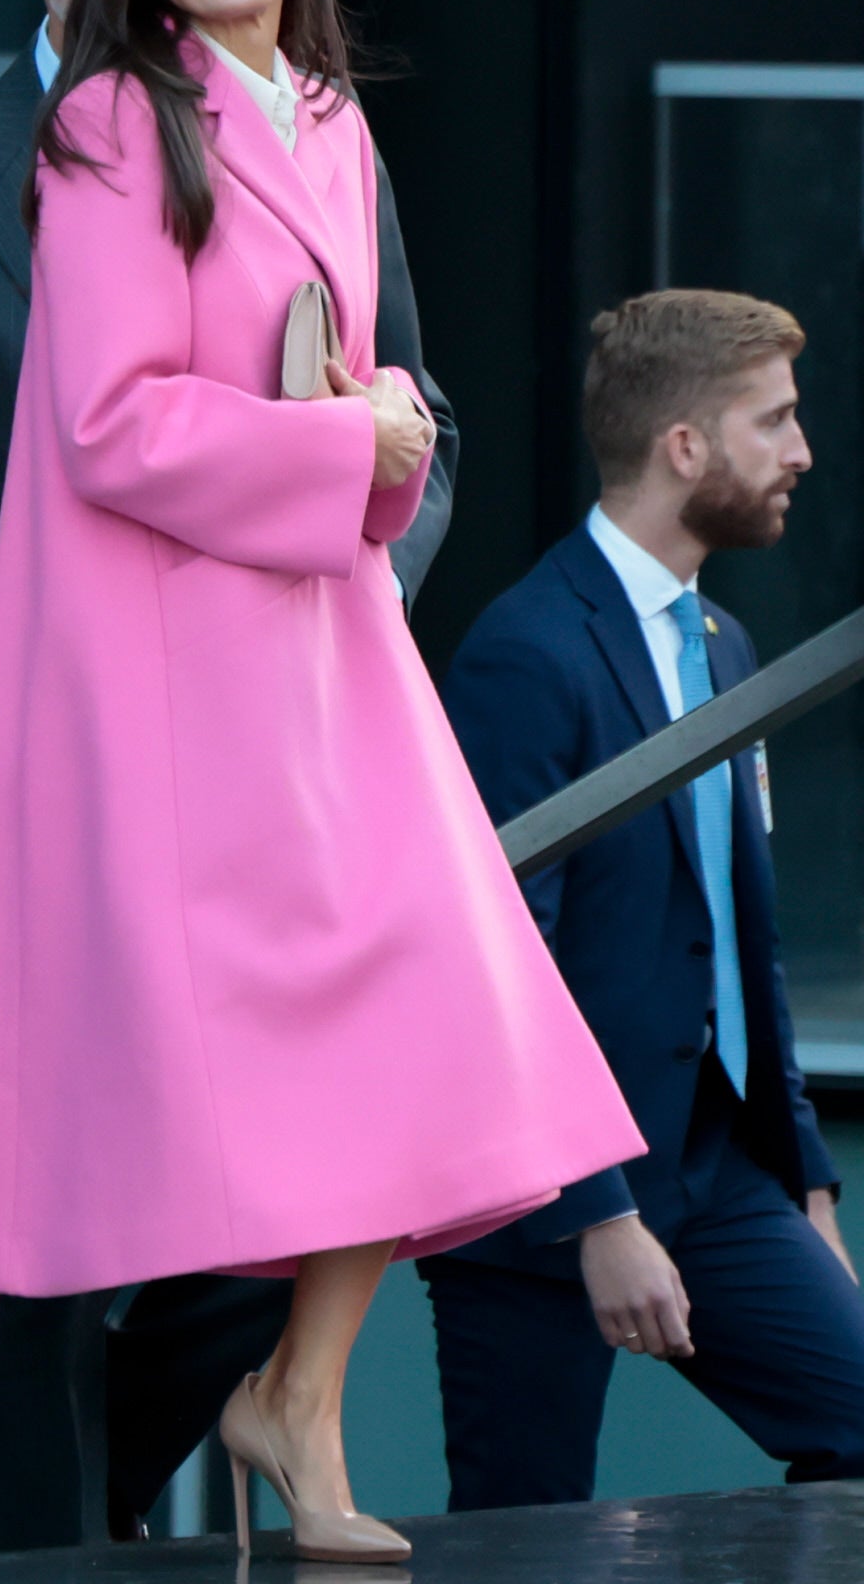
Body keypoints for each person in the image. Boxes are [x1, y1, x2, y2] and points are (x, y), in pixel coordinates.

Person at [0, 0, 641, 1570]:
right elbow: (110, 426)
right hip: (142, 667)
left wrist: (384, 441)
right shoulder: (109, 122)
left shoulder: (331, 119)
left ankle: (301, 1401)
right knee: (20, 1069)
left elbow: (388, 395)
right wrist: (349, 443)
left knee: (431, 996)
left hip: (319, 651)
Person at [420, 288, 864, 1511]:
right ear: (683, 447)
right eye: (771, 420)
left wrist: (806, 1188)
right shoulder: (525, 651)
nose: (799, 452)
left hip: (713, 1169)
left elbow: (741, 940)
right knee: (522, 1535)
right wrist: (594, 1214)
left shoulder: (720, 643)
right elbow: (499, 958)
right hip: (542, 1201)